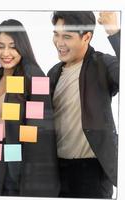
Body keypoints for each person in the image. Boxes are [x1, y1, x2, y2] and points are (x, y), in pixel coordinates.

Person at [0, 19, 59, 196]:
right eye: (0, 46)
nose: (5, 52)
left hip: (18, 162)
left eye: (12, 46)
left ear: (22, 47)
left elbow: (38, 130)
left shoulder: (35, 77)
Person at [47, 11, 120, 198]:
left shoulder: (103, 64)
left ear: (86, 37)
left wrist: (114, 32)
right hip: (56, 171)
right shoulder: (53, 72)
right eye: (56, 34)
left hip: (91, 172)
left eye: (67, 37)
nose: (59, 42)